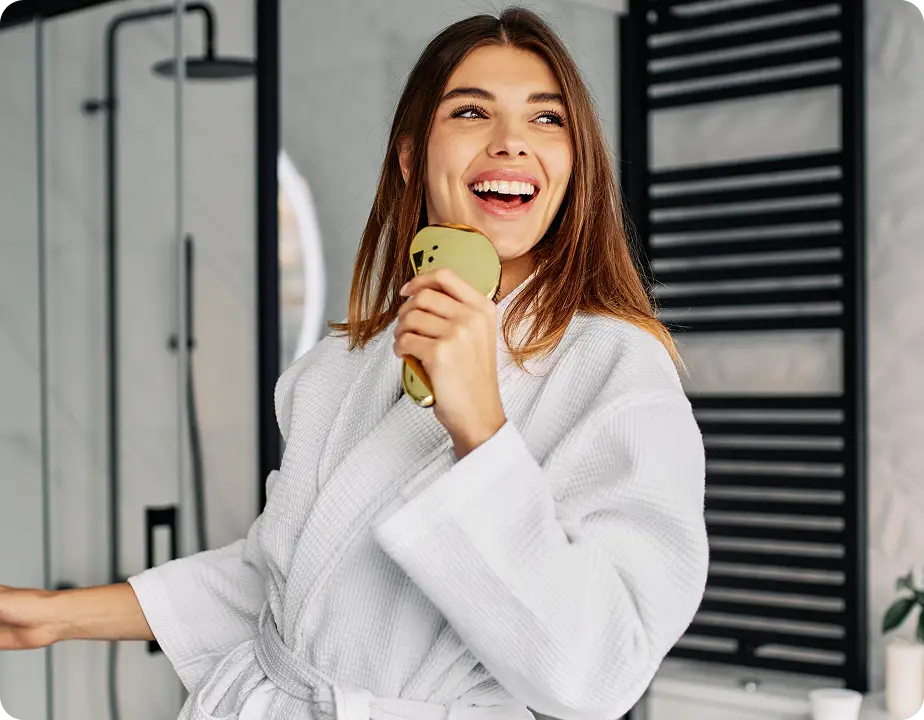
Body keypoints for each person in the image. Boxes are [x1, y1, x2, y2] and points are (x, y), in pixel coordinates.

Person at [0, 8, 708, 720]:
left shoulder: (617, 371)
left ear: (574, 164)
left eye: (547, 119)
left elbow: (600, 673)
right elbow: (287, 588)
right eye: (471, 111)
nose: (511, 141)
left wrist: (481, 430)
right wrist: (54, 617)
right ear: (410, 157)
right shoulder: (342, 365)